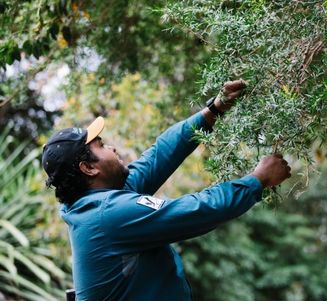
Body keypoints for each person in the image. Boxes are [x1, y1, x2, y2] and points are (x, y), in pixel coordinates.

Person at [42, 79, 291, 301]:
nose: (113, 149)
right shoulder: (108, 215)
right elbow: (198, 210)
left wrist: (214, 110)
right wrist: (257, 180)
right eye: (102, 146)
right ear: (88, 168)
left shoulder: (99, 201)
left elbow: (159, 155)